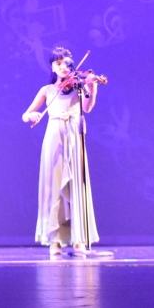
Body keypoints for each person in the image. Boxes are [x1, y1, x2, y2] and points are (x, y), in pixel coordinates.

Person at [21, 47, 101, 257]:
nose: (63, 67)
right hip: (54, 137)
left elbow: (87, 107)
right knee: (54, 187)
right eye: (57, 63)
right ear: (52, 67)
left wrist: (92, 87)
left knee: (76, 186)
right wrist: (32, 116)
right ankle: (54, 240)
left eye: (65, 63)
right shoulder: (47, 90)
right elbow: (25, 114)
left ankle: (79, 240)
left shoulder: (79, 86)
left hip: (74, 136)